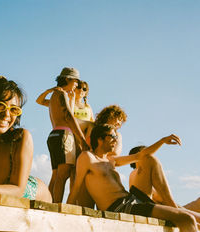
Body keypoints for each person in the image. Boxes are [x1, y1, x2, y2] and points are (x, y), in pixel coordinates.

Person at [67, 124, 198, 232]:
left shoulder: (110, 160)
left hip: (131, 200)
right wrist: (66, 211)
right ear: (100, 139)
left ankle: (172, 205)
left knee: (148, 159)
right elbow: (76, 187)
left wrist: (162, 141)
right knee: (187, 219)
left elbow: (140, 155)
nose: (116, 140)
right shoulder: (87, 157)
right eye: (112, 136)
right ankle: (175, 209)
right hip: (119, 207)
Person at [40, 67, 89, 203]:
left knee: (56, 175)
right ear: (67, 79)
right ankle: (55, 206)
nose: (76, 85)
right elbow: (69, 116)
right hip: (63, 135)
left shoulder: (55, 95)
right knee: (63, 174)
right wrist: (82, 140)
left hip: (54, 134)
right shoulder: (62, 94)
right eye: (75, 82)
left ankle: (48, 203)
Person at [129, 145, 200, 225]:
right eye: (148, 152)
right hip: (156, 208)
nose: (151, 155)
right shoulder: (138, 172)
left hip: (154, 207)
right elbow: (163, 199)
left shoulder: (134, 174)